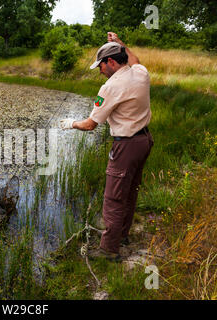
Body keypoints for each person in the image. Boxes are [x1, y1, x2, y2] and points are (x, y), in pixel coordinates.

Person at [60, 32, 154, 261]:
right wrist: (120, 43)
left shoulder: (110, 87)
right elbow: (136, 60)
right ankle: (122, 235)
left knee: (113, 198)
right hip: (144, 141)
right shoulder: (140, 73)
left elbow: (91, 125)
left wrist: (70, 123)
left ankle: (108, 250)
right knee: (130, 192)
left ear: (110, 62)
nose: (99, 70)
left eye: (100, 65)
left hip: (126, 145)